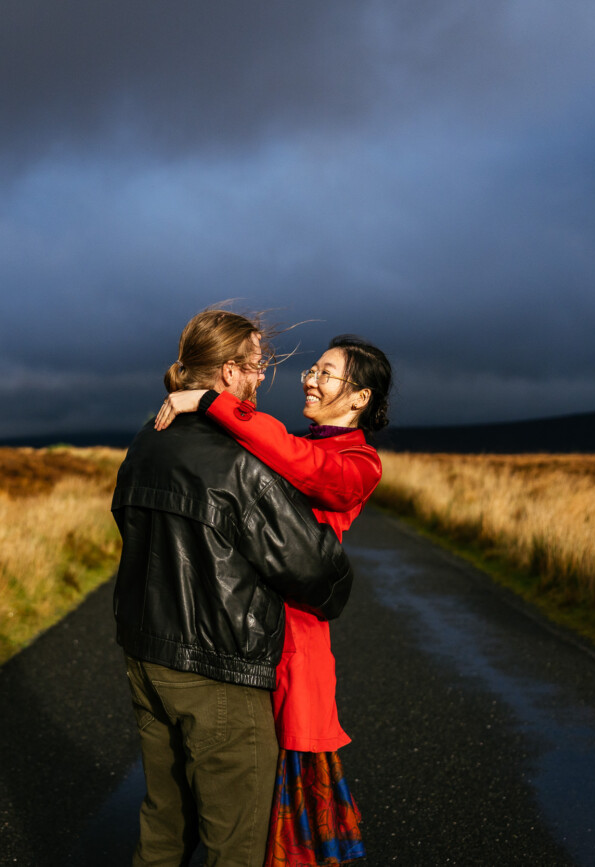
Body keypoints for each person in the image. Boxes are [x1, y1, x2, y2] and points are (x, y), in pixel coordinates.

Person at [112, 307, 356, 867]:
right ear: (226, 373)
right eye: (256, 365)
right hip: (218, 668)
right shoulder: (242, 461)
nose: (262, 376)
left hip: (145, 655)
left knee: (164, 824)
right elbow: (318, 572)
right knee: (238, 841)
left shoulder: (146, 441)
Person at [154, 334, 393, 867]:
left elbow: (309, 468)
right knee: (228, 792)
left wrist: (211, 401)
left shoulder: (359, 462)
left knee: (282, 800)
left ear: (359, 399)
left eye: (326, 373)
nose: (310, 378)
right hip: (236, 627)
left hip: (293, 644)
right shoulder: (284, 439)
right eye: (313, 368)